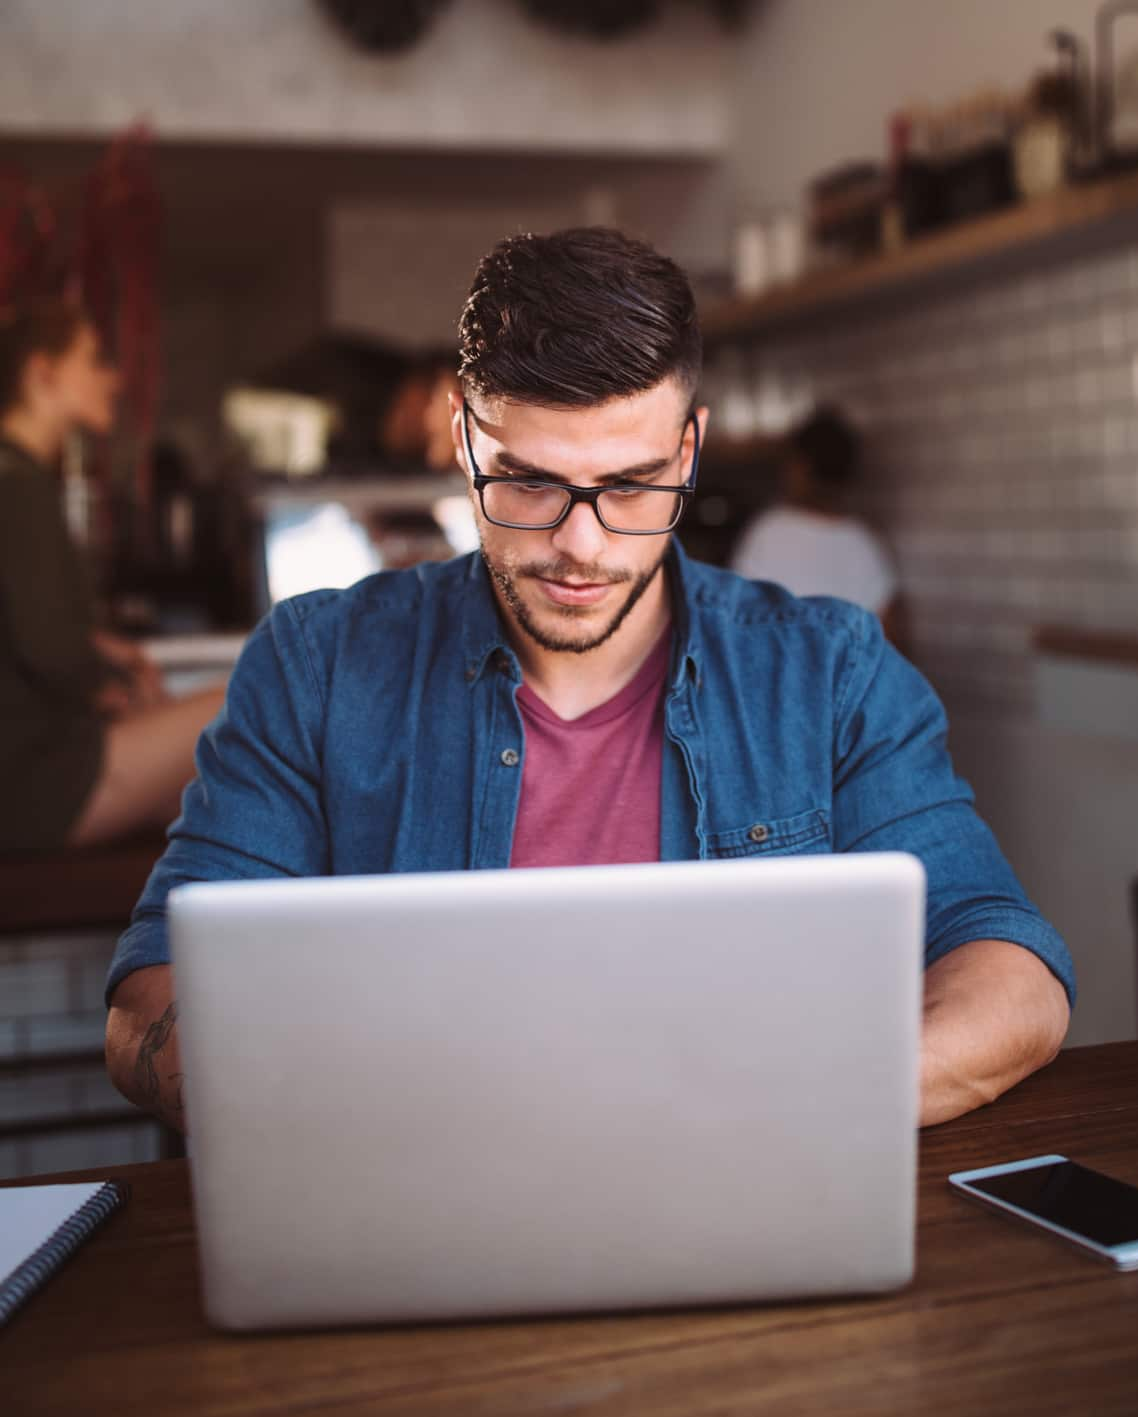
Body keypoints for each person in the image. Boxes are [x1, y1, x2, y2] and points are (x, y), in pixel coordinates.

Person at [105, 227, 1072, 1136]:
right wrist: (375, 1119)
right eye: (526, 482)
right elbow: (152, 996)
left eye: (628, 486)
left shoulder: (829, 673)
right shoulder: (315, 669)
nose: (580, 545)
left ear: (687, 454)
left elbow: (1009, 968)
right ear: (464, 442)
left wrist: (769, 1109)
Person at [0, 297, 224, 852]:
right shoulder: (18, 485)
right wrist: (111, 687)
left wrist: (105, 653)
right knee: (249, 699)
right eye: (95, 360)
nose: (116, 378)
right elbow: (51, 654)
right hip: (31, 785)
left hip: (30, 767)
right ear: (41, 373)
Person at [731, 406, 902, 643]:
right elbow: (892, 635)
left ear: (801, 466)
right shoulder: (864, 544)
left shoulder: (768, 533)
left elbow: (737, 619)